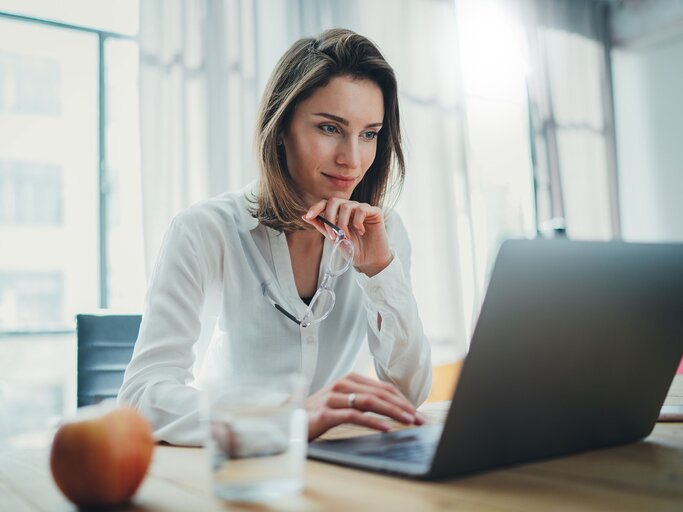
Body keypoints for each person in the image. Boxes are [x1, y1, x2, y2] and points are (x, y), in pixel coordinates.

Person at [118, 28, 432, 445]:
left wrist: (379, 272)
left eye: (369, 134)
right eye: (329, 128)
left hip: (339, 468)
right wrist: (285, 419)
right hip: (235, 466)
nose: (352, 160)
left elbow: (408, 393)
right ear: (281, 127)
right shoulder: (204, 230)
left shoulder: (382, 233)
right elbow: (142, 396)